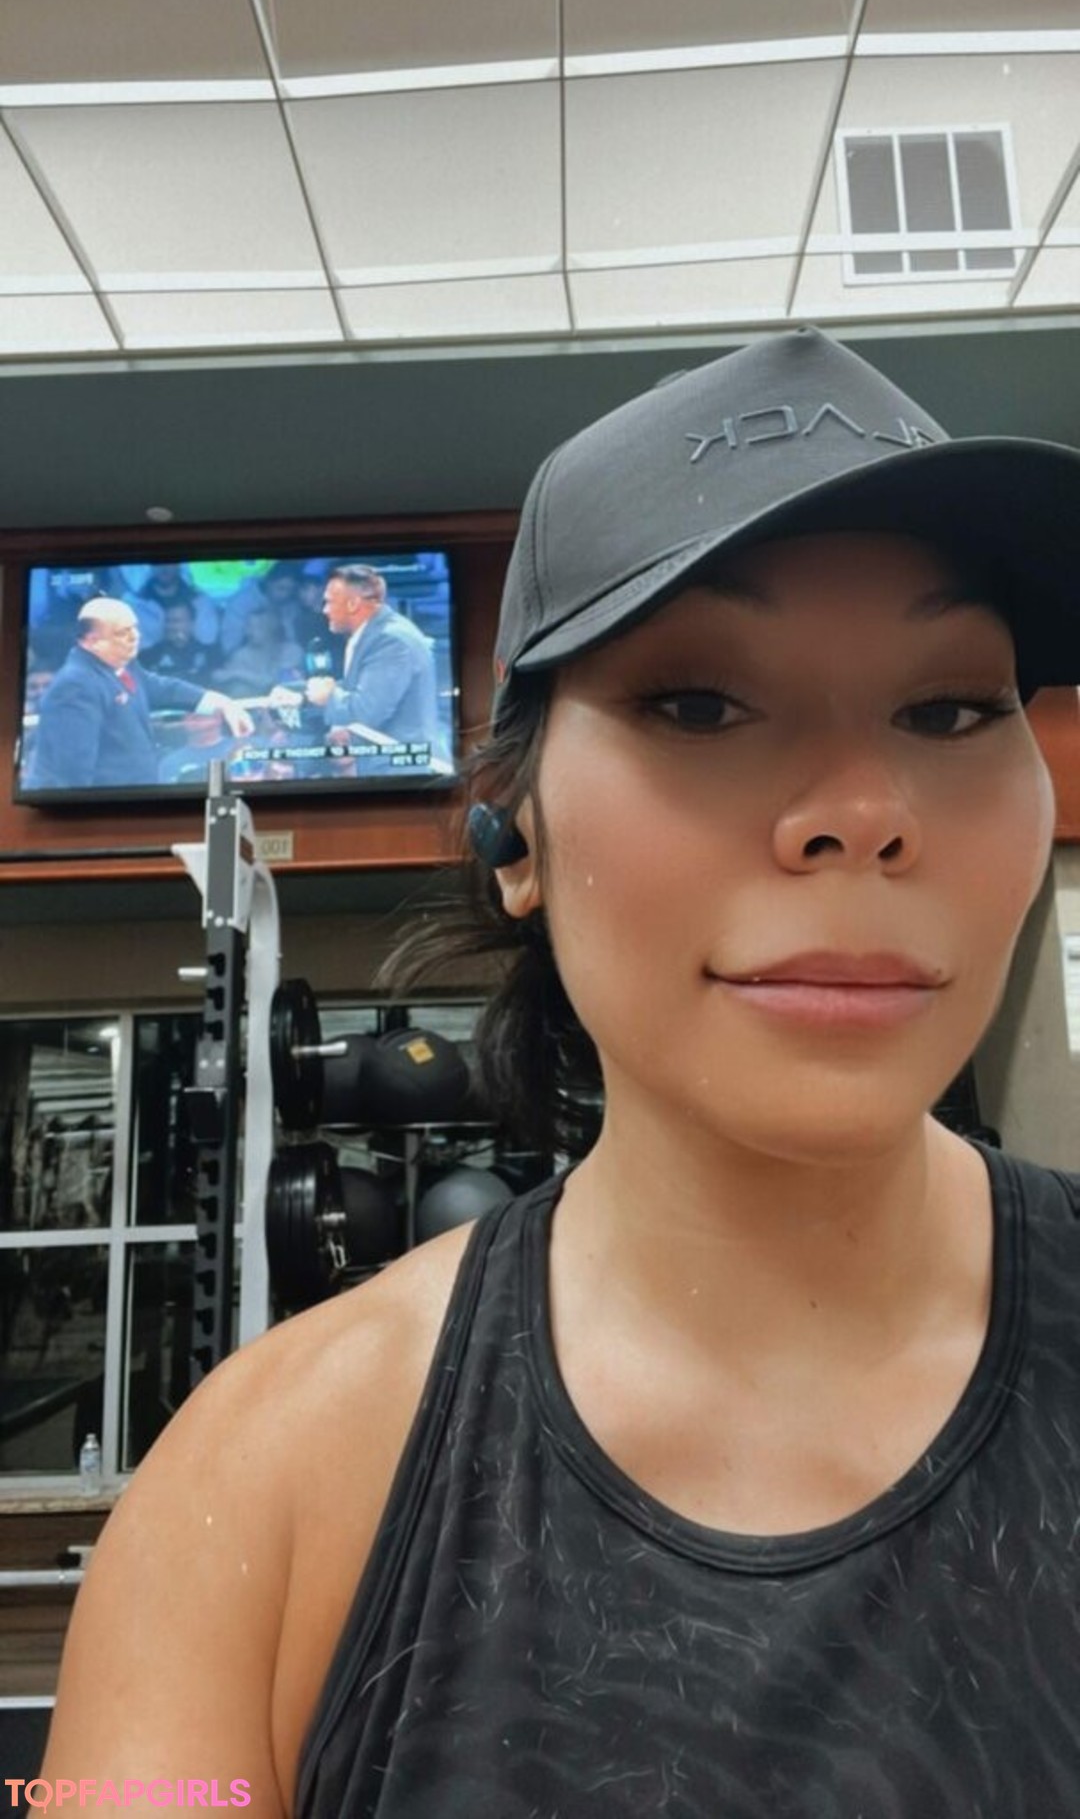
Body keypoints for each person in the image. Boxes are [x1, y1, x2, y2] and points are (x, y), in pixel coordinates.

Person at [40, 329, 1080, 1815]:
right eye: (701, 702)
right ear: (511, 831)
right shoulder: (255, 1487)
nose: (862, 808)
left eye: (953, 706)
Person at [27, 596, 253, 790]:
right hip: (105, 815)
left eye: (134, 628)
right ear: (92, 641)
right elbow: (71, 774)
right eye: (122, 633)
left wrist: (220, 702)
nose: (134, 636)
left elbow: (160, 687)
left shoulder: (121, 664)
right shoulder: (75, 685)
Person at [298, 562, 439, 751]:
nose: (325, 610)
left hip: (402, 763)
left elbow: (367, 712)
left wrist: (328, 697)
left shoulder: (390, 641)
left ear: (353, 604)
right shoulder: (376, 634)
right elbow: (359, 690)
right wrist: (300, 694)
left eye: (330, 602)